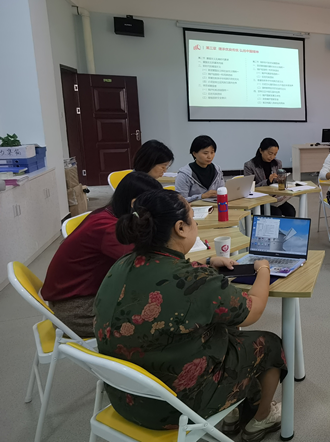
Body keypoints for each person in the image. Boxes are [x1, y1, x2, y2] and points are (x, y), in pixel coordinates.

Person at [94, 189, 286, 441]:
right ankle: (260, 419)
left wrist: (207, 262)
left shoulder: (121, 264)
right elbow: (254, 308)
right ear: (180, 228)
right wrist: (263, 269)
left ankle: (232, 415)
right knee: (270, 344)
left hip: (124, 398)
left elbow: (168, 280)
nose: (195, 223)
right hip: (175, 409)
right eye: (193, 218)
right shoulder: (197, 281)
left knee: (223, 329)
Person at [41, 172, 162, 337]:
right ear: (135, 204)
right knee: (158, 318)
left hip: (78, 297)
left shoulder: (108, 214)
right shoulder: (109, 228)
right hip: (76, 310)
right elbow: (144, 265)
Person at [243, 138, 296, 217]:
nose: (272, 157)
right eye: (270, 153)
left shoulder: (277, 163)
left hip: (274, 198)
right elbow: (250, 188)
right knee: (276, 213)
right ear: (261, 150)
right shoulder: (249, 166)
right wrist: (268, 181)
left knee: (291, 211)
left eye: (275, 154)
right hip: (259, 200)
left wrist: (280, 180)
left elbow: (278, 184)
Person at [175, 135, 225, 203]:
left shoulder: (217, 170)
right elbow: (180, 201)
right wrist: (201, 196)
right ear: (194, 154)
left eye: (212, 152)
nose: (210, 156)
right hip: (194, 208)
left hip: (215, 206)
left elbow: (222, 191)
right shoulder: (184, 174)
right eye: (205, 153)